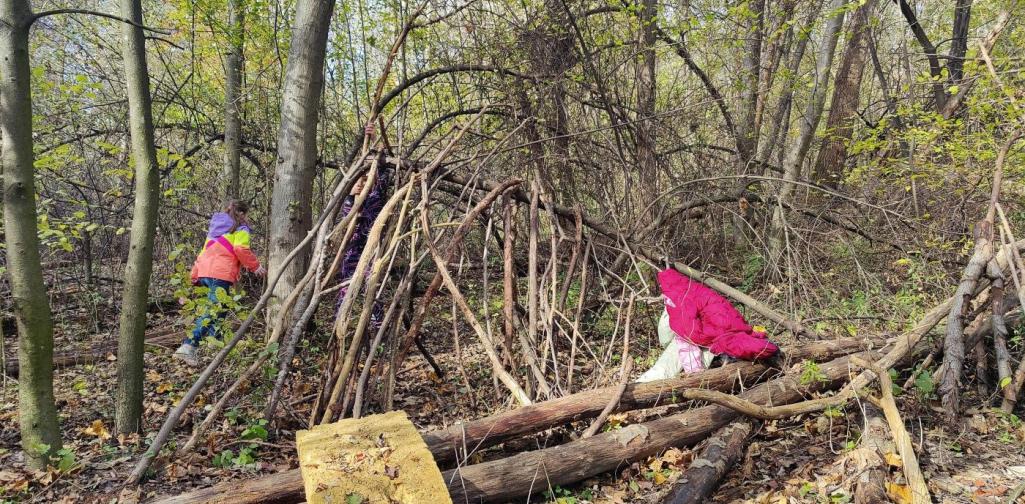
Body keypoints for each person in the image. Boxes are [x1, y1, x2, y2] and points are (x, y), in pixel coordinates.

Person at [637, 268, 781, 382]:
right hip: (734, 327)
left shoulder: (681, 295)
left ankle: (648, 383)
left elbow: (690, 331)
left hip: (725, 330)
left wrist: (707, 339)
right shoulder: (694, 289)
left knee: (681, 343)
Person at [174, 200, 265, 366]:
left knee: (221, 307)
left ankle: (215, 341)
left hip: (205, 272)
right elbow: (240, 249)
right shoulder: (241, 229)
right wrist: (256, 266)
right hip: (220, 274)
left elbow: (203, 253)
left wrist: (194, 274)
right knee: (212, 310)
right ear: (243, 214)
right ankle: (188, 346)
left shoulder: (214, 231)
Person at [335, 124, 391, 326]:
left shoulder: (376, 197)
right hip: (351, 254)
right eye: (357, 180)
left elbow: (382, 166)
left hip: (371, 252)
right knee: (345, 291)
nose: (360, 183)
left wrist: (376, 138)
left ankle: (377, 331)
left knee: (372, 291)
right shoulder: (348, 202)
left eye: (365, 180)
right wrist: (352, 196)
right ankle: (339, 327)